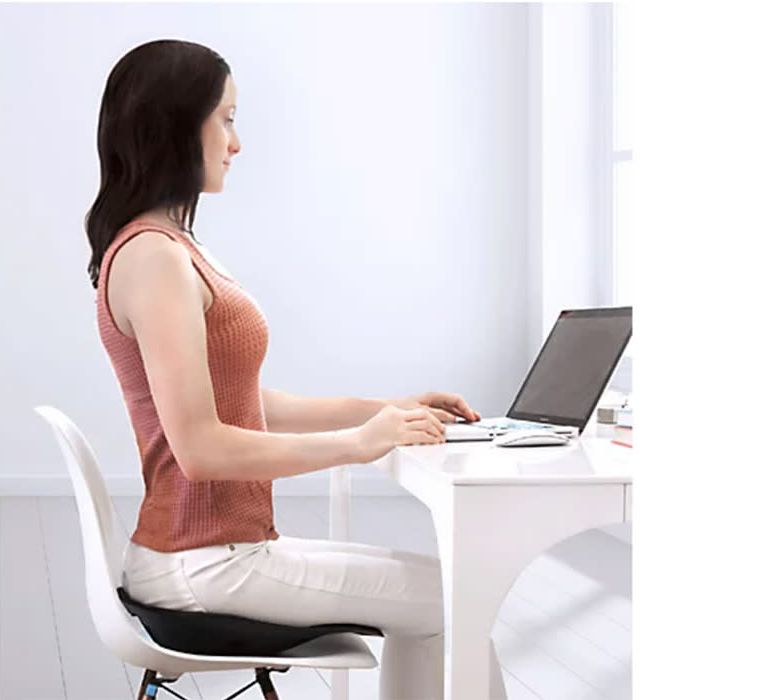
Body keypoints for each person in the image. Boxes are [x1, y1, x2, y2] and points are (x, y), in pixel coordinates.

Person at [84, 39, 508, 700]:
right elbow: (200, 448)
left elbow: (248, 403)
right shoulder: (154, 258)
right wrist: (356, 446)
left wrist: (381, 412)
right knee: (456, 599)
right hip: (204, 565)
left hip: (212, 554)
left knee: (445, 590)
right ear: (174, 124)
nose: (237, 141)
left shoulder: (168, 249)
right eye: (225, 118)